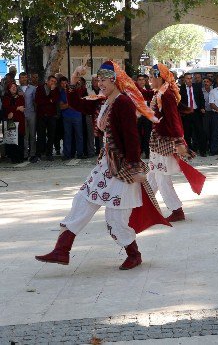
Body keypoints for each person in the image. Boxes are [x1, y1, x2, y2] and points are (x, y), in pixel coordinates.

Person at [35, 62, 169, 270]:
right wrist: (73, 81)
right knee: (82, 200)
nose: (100, 84)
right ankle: (62, 250)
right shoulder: (104, 102)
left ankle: (133, 254)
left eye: (104, 80)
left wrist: (134, 166)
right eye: (98, 80)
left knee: (115, 217)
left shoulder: (123, 103)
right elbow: (78, 104)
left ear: (115, 81)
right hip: (106, 165)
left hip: (123, 168)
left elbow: (132, 137)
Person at [148, 64, 205, 222]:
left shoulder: (165, 94)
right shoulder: (160, 92)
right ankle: (142, 206)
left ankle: (176, 210)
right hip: (158, 141)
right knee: (153, 175)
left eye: (152, 77)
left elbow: (174, 119)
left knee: (160, 177)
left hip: (164, 142)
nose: (149, 80)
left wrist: (179, 141)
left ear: (159, 77)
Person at [179, 73, 206, 157]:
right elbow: (179, 102)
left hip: (196, 112)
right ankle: (189, 151)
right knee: (187, 134)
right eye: (187, 78)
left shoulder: (197, 87)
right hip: (186, 114)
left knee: (200, 132)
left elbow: (201, 98)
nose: (189, 80)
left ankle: (202, 151)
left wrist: (202, 107)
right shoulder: (181, 89)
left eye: (191, 78)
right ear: (184, 80)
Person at [35, 75, 60, 161]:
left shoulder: (55, 90)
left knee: (51, 135)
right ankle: (38, 153)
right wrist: (49, 100)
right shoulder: (40, 88)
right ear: (47, 81)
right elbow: (38, 101)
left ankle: (49, 153)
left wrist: (52, 91)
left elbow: (55, 100)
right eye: (52, 81)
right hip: (41, 115)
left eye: (55, 82)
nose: (53, 83)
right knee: (40, 135)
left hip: (51, 115)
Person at [59, 78, 84, 160]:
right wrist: (69, 105)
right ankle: (67, 154)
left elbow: (79, 102)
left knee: (79, 135)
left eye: (65, 83)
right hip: (66, 116)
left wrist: (69, 104)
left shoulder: (75, 91)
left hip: (77, 115)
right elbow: (61, 107)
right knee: (67, 136)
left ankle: (80, 153)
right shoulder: (61, 93)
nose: (64, 85)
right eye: (62, 83)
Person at [2, 82, 26, 163]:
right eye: (12, 87)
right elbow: (6, 109)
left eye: (15, 86)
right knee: (12, 140)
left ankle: (20, 157)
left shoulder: (20, 97)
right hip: (11, 122)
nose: (14, 88)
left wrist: (14, 110)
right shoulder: (6, 98)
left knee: (20, 139)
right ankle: (13, 158)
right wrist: (17, 108)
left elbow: (22, 108)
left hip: (20, 121)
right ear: (9, 89)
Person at [18, 72, 37, 162]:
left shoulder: (32, 88)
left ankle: (32, 153)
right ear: (19, 79)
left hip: (31, 113)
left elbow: (35, 101)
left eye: (25, 77)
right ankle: (25, 153)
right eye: (22, 77)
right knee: (25, 135)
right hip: (22, 114)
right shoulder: (17, 88)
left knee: (32, 135)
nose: (24, 79)